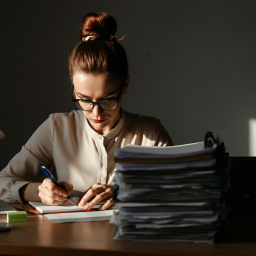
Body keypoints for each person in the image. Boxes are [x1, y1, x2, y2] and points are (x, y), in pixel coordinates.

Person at [0, 12, 173, 210]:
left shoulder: (151, 134)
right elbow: (2, 182)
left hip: (130, 239)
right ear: (74, 88)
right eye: (84, 100)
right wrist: (38, 191)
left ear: (125, 85)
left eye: (108, 100)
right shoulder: (57, 127)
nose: (96, 113)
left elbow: (184, 191)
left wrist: (129, 192)